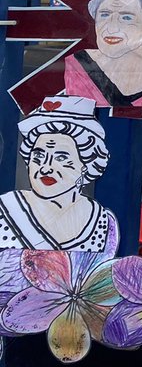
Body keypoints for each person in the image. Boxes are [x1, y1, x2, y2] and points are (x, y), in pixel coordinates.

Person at [0, 96, 117, 252]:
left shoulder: (101, 220)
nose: (45, 167)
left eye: (61, 158)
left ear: (86, 165)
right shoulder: (5, 209)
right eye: (38, 155)